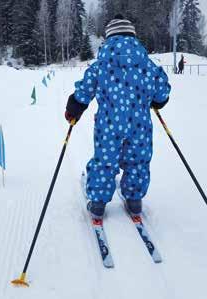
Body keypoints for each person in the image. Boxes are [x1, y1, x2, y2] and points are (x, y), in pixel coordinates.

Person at [65, 14, 171, 219]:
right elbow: (162, 92)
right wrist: (157, 101)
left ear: (109, 38)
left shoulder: (101, 65)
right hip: (139, 124)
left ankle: (97, 203)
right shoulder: (147, 65)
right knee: (138, 161)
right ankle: (134, 200)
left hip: (108, 124)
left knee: (105, 160)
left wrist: (74, 108)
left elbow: (84, 91)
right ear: (133, 37)